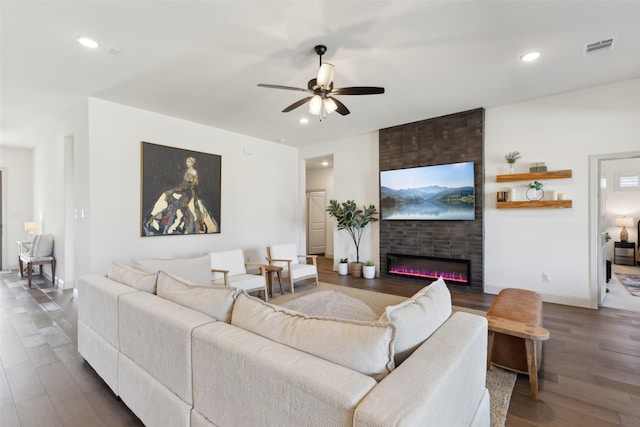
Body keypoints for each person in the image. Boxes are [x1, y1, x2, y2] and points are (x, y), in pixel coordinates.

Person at [143, 156, 218, 235]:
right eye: (187, 162)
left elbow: (194, 185)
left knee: (183, 204)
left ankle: (187, 222)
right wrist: (178, 188)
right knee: (168, 193)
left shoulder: (195, 172)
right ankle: (159, 218)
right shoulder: (187, 171)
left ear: (192, 163)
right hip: (183, 188)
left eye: (188, 162)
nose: (186, 163)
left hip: (189, 190)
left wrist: (184, 188)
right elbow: (184, 182)